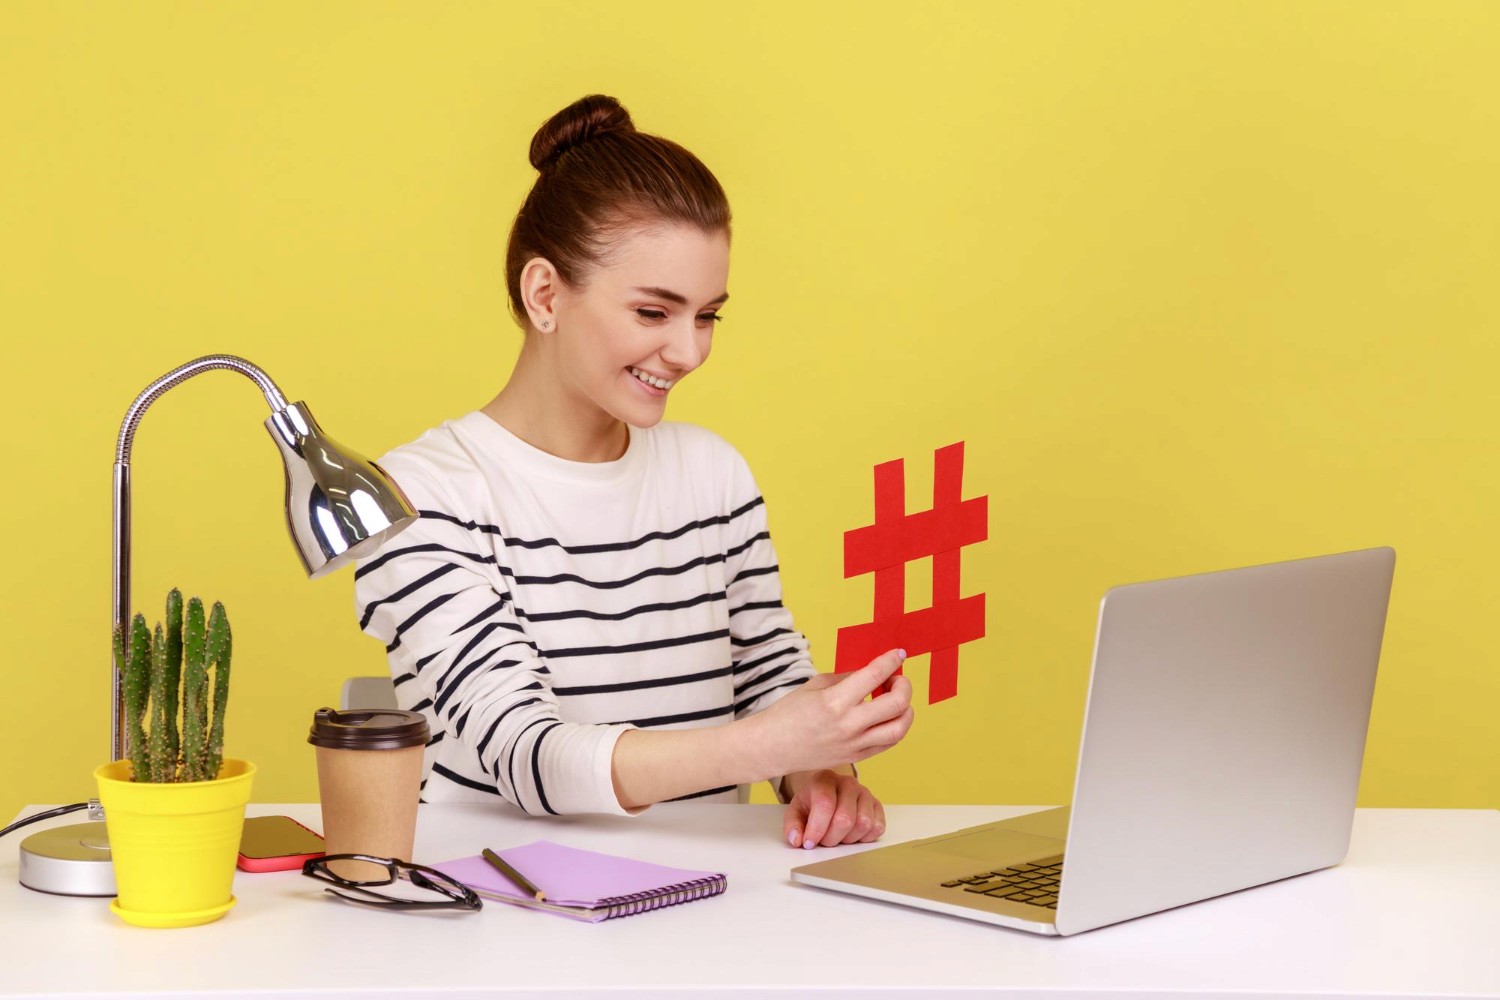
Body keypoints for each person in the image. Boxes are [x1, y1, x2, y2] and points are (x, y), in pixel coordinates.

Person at [354, 94, 914, 850]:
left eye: (708, 315)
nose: (689, 351)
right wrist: (772, 745)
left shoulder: (711, 474)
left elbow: (769, 677)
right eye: (654, 313)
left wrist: (816, 771)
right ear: (545, 294)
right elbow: (526, 754)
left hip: (714, 898)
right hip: (507, 906)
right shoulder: (422, 497)